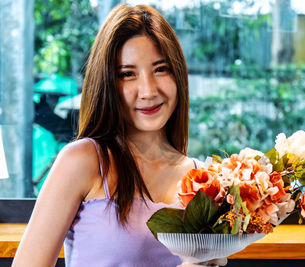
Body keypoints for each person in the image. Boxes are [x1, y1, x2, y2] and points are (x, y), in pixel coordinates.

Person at [13, 4, 226, 267]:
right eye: (128, 74)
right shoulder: (83, 160)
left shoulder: (201, 178)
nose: (148, 91)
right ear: (107, 84)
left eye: (160, 69)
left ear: (178, 74)